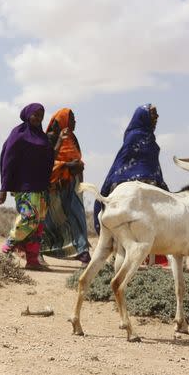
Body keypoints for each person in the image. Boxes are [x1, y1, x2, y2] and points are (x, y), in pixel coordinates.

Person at [95, 103, 168, 266]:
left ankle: (151, 257)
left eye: (156, 115)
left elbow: (152, 163)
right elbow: (124, 162)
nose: (156, 118)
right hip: (130, 183)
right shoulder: (134, 136)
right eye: (153, 115)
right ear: (144, 117)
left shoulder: (150, 137)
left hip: (152, 182)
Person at [0, 103, 54, 270]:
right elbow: (7, 160)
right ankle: (7, 249)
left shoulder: (42, 137)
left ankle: (32, 260)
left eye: (41, 115)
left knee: (39, 224)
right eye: (35, 114)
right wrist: (4, 188)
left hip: (42, 187)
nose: (38, 118)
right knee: (29, 218)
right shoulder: (18, 134)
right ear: (27, 114)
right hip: (25, 186)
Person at [41, 108, 91, 264]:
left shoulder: (73, 138)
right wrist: (68, 165)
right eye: (72, 118)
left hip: (73, 185)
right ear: (63, 120)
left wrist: (80, 181)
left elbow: (78, 160)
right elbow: (47, 161)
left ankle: (83, 252)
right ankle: (40, 250)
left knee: (78, 217)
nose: (74, 122)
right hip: (55, 186)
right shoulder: (50, 138)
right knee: (51, 221)